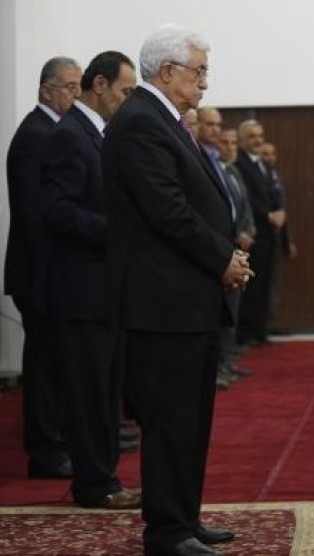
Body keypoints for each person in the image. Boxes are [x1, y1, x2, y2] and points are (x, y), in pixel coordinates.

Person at [103, 24, 253, 556]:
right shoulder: (141, 122)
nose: (205, 82)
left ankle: (184, 521)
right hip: (161, 302)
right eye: (200, 71)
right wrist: (222, 260)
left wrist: (223, 256)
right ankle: (167, 533)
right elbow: (166, 211)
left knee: (190, 422)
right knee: (170, 423)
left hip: (184, 299)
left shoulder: (164, 120)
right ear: (168, 71)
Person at [38, 51, 139, 509]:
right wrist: (116, 230)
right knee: (88, 393)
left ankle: (106, 478)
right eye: (124, 91)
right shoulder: (67, 137)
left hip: (105, 288)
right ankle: (95, 485)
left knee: (104, 392)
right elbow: (56, 213)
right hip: (80, 291)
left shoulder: (96, 134)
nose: (128, 99)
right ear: (99, 86)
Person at [5, 56, 82, 480]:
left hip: (50, 271)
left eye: (77, 86)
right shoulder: (37, 135)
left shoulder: (55, 132)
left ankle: (63, 438)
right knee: (45, 366)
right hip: (39, 271)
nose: (74, 93)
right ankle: (46, 450)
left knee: (57, 362)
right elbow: (37, 215)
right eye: (68, 86)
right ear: (45, 90)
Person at [197, 108, 254, 387]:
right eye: (208, 124)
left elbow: (240, 207)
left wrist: (246, 231)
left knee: (232, 308)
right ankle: (216, 366)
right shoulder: (201, 162)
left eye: (218, 125)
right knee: (218, 312)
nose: (215, 131)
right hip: (215, 246)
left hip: (234, 244)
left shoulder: (226, 169)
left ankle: (225, 361)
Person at [234, 120, 284, 347]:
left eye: (260, 135)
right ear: (242, 139)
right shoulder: (239, 163)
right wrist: (267, 216)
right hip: (252, 233)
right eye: (252, 136)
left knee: (264, 284)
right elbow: (248, 200)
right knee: (251, 285)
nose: (258, 140)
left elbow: (273, 193)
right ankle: (245, 333)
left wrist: (280, 211)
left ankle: (259, 330)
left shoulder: (262, 164)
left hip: (269, 234)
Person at [259, 141, 297, 334]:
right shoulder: (260, 177)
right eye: (265, 154)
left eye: (272, 153)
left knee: (273, 284)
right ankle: (262, 326)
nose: (269, 157)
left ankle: (271, 322)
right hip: (262, 236)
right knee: (262, 286)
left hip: (277, 238)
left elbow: (283, 210)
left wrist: (288, 240)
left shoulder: (274, 176)